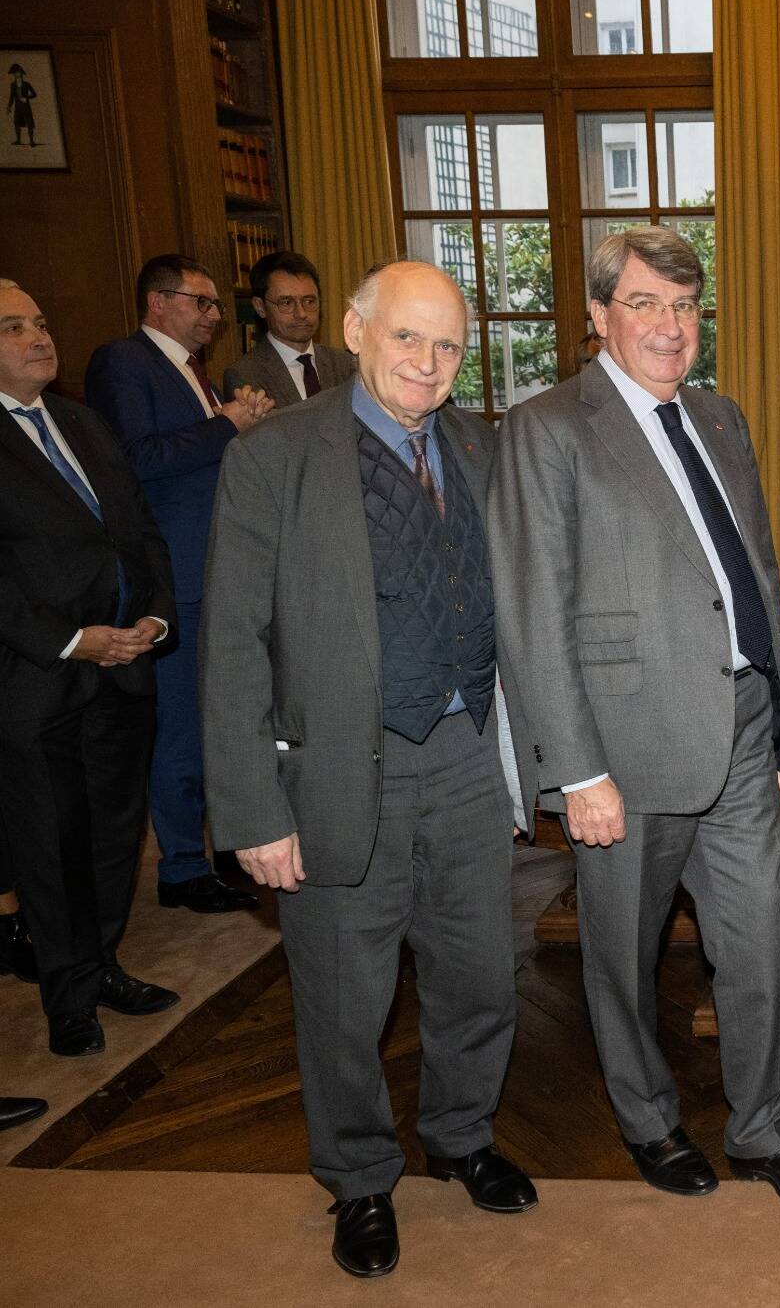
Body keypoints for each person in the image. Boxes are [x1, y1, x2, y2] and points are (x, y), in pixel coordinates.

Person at [489, 227, 780, 1214]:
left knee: (760, 944)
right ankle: (648, 1121)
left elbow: (754, 582)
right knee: (619, 952)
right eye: (645, 304)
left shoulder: (720, 419)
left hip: (736, 727)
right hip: (623, 745)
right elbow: (531, 611)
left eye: (685, 307)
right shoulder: (549, 426)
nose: (669, 326)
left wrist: (779, 729)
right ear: (600, 316)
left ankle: (763, 1130)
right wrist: (574, 770)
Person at [202, 261, 536, 1279]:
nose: (427, 364)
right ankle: (357, 1178)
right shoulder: (275, 458)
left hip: (471, 757)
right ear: (355, 331)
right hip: (344, 775)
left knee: (480, 974)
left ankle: (462, 1135)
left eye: (446, 346)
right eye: (406, 338)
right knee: (346, 998)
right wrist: (253, 810)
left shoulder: (482, 443)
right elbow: (232, 644)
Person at [0, 279, 181, 1057]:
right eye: (13, 327)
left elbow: (140, 529)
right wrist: (75, 639)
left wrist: (155, 615)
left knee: (114, 833)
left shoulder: (80, 420)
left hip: (126, 665)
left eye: (41, 322)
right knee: (51, 844)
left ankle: (103, 961)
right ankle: (67, 993)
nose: (39, 337)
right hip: (40, 676)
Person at [85, 253, 272, 915]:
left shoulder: (196, 374)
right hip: (175, 571)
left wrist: (236, 419)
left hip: (220, 564)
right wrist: (226, 425)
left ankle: (214, 847)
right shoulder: (124, 363)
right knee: (180, 723)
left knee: (218, 714)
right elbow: (133, 460)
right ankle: (182, 865)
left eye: (217, 304)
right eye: (203, 302)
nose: (215, 315)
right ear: (158, 302)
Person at [223, 251, 356, 408]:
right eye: (286, 302)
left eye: (309, 301)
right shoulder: (244, 375)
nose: (301, 313)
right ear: (260, 307)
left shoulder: (345, 364)